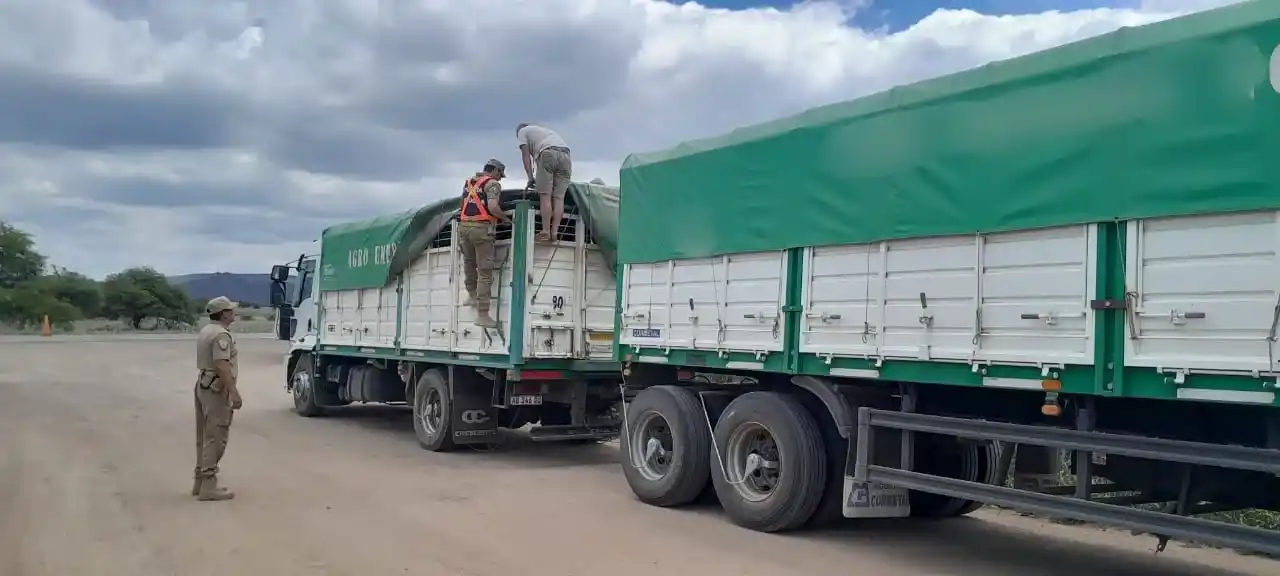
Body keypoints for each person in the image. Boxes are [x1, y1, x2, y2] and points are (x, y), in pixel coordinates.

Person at [193, 296, 242, 501]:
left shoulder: (207, 330)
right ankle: (208, 485)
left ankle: (200, 481)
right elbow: (222, 364)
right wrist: (233, 391)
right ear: (223, 314)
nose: (234, 313)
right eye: (230, 310)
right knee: (216, 436)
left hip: (203, 384)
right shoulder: (221, 335)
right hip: (215, 388)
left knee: (204, 435)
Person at [459, 159, 511, 328]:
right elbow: (493, 207)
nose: (500, 178)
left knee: (468, 262)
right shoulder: (492, 184)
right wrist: (506, 218)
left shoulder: (470, 182)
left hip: (464, 228)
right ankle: (483, 314)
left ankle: (471, 295)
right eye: (500, 174)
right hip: (481, 229)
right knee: (485, 271)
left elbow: (463, 205)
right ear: (495, 170)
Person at [516, 123, 572, 243]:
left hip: (548, 153)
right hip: (566, 155)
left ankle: (545, 231)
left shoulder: (522, 132)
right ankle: (555, 232)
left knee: (545, 195)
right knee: (559, 197)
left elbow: (526, 157)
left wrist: (531, 178)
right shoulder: (544, 132)